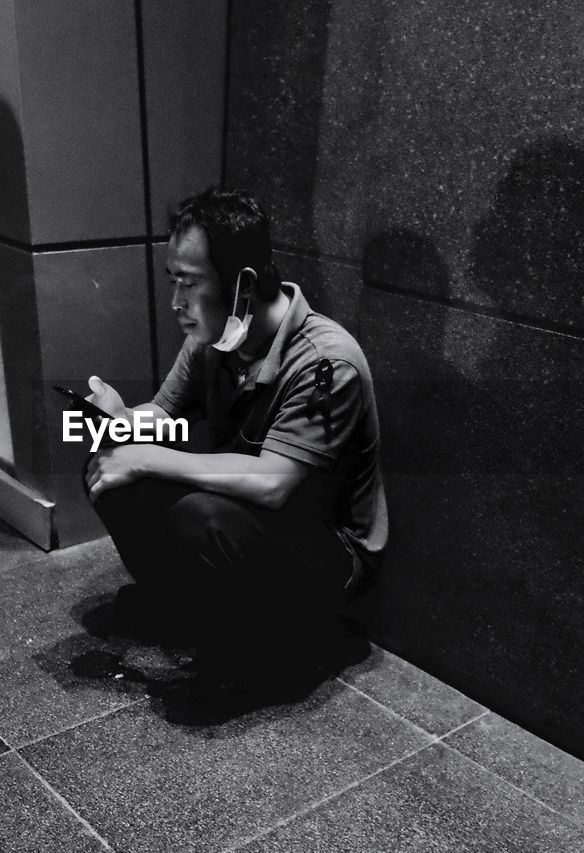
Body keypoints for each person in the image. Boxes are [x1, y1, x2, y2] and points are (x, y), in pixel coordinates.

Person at [83, 187, 387, 713]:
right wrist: (119, 422)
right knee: (107, 465)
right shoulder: (216, 336)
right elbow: (162, 417)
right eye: (172, 282)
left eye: (190, 283)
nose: (177, 302)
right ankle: (184, 608)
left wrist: (146, 456)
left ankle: (270, 656)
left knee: (200, 514)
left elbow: (273, 482)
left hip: (328, 554)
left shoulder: (326, 361)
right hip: (256, 522)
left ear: (243, 285)